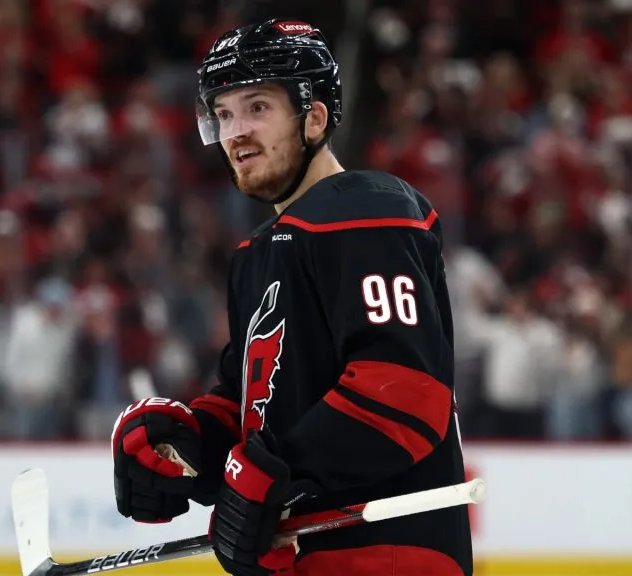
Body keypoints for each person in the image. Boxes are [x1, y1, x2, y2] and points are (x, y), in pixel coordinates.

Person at [111, 18, 472, 575]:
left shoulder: (366, 210)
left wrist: (272, 473)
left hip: (387, 556)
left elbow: (404, 389)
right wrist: (186, 445)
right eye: (224, 114)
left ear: (315, 117)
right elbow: (255, 408)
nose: (235, 132)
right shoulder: (259, 252)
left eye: (257, 108)